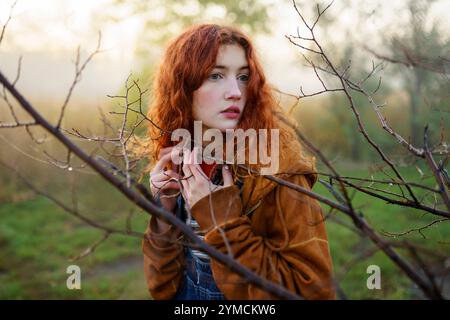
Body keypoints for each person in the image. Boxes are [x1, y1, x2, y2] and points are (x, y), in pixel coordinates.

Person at [141, 23, 335, 300]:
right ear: (183, 85)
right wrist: (165, 214)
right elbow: (163, 289)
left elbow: (312, 292)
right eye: (216, 75)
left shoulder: (277, 170)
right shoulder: (181, 155)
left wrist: (223, 223)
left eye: (243, 77)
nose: (235, 91)